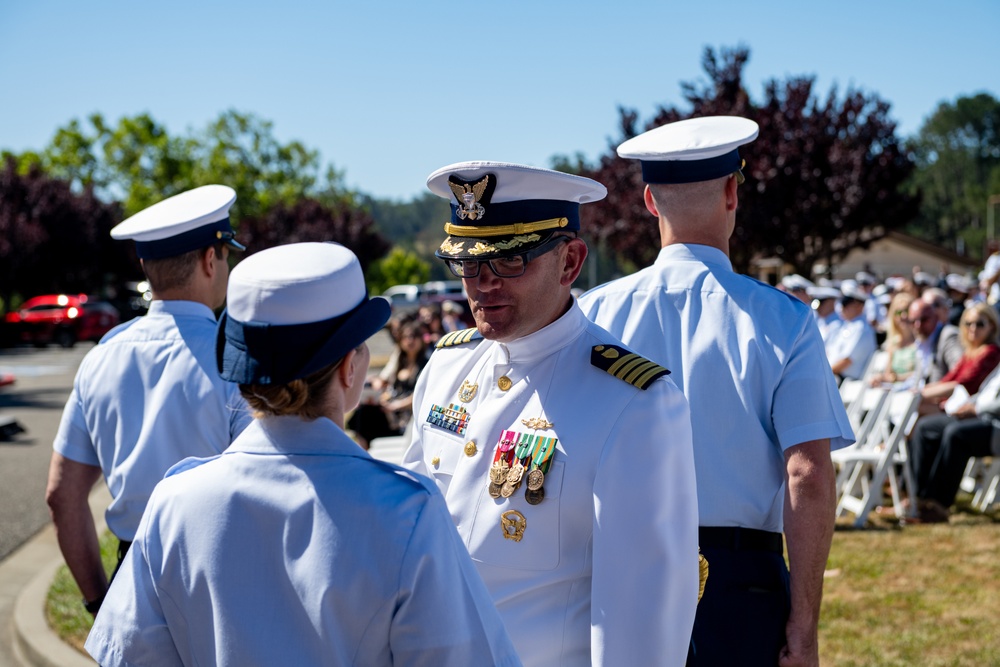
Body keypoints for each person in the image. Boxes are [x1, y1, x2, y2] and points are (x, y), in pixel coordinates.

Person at [85, 242, 521, 667]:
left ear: (240, 376)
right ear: (351, 368)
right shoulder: (407, 512)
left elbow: (130, 653)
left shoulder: (174, 503)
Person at [577, 116, 854, 667]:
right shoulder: (785, 320)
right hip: (741, 582)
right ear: (733, 192)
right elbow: (808, 473)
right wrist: (803, 625)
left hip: (616, 570)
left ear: (651, 202)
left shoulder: (593, 313)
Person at [402, 161, 698, 667]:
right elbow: (406, 533)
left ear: (570, 262)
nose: (483, 284)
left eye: (510, 261)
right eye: (469, 264)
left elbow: (637, 616)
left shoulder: (632, 402)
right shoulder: (446, 367)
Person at [45, 185, 251, 617]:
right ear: (210, 260)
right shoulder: (235, 358)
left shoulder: (101, 356)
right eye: (226, 255)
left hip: (129, 583)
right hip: (218, 582)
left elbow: (62, 495)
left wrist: (100, 602)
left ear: (146, 263)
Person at [907, 363, 1000, 524]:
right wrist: (969, 404)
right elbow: (985, 392)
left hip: (995, 424)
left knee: (956, 434)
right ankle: (919, 498)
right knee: (926, 426)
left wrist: (976, 408)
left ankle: (939, 505)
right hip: (979, 415)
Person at [917, 302, 1000, 414]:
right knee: (915, 404)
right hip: (954, 402)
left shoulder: (992, 352)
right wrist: (920, 391)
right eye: (968, 323)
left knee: (917, 405)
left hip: (968, 408)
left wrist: (922, 394)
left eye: (980, 324)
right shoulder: (970, 352)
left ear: (992, 326)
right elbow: (949, 378)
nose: (973, 328)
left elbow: (963, 384)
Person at [826, 283, 878, 382]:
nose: (841, 307)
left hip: (844, 381)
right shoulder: (848, 326)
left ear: (859, 305)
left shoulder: (861, 329)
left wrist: (823, 374)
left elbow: (846, 360)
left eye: (846, 303)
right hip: (834, 378)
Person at [909, 296, 962, 384]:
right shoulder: (920, 342)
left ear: (936, 318)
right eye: (913, 321)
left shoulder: (948, 336)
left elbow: (959, 373)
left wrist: (931, 391)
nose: (918, 325)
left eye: (924, 319)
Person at [869, 292, 917, 386]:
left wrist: (895, 378)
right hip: (894, 392)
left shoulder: (920, 341)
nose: (903, 316)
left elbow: (921, 373)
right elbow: (888, 374)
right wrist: (880, 378)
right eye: (898, 312)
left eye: (906, 311)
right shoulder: (893, 342)